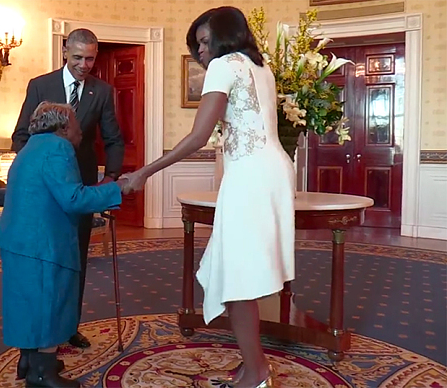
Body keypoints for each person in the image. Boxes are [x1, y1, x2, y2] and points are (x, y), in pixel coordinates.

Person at [121, 6, 295, 388]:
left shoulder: (223, 65)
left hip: (250, 176)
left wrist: (144, 173)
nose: (200, 51)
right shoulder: (261, 68)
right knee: (238, 272)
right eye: (196, 44)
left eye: (203, 42)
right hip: (271, 171)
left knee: (237, 276)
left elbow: (199, 136)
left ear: (224, 36)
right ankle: (253, 367)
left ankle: (258, 373)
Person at [0, 102, 128, 388]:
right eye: (78, 123)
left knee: (28, 303)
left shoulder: (30, 148)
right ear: (64, 126)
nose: (81, 130)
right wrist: (117, 189)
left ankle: (30, 361)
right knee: (49, 303)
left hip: (18, 239)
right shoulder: (58, 148)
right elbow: (73, 199)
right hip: (42, 243)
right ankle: (43, 375)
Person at [10, 28, 124, 351]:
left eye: (90, 58)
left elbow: (114, 139)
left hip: (80, 186)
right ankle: (36, 340)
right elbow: (20, 136)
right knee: (44, 261)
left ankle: (69, 326)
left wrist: (110, 177)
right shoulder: (40, 86)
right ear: (65, 52)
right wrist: (37, 170)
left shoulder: (102, 91)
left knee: (76, 258)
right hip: (44, 192)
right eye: (77, 57)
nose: (84, 65)